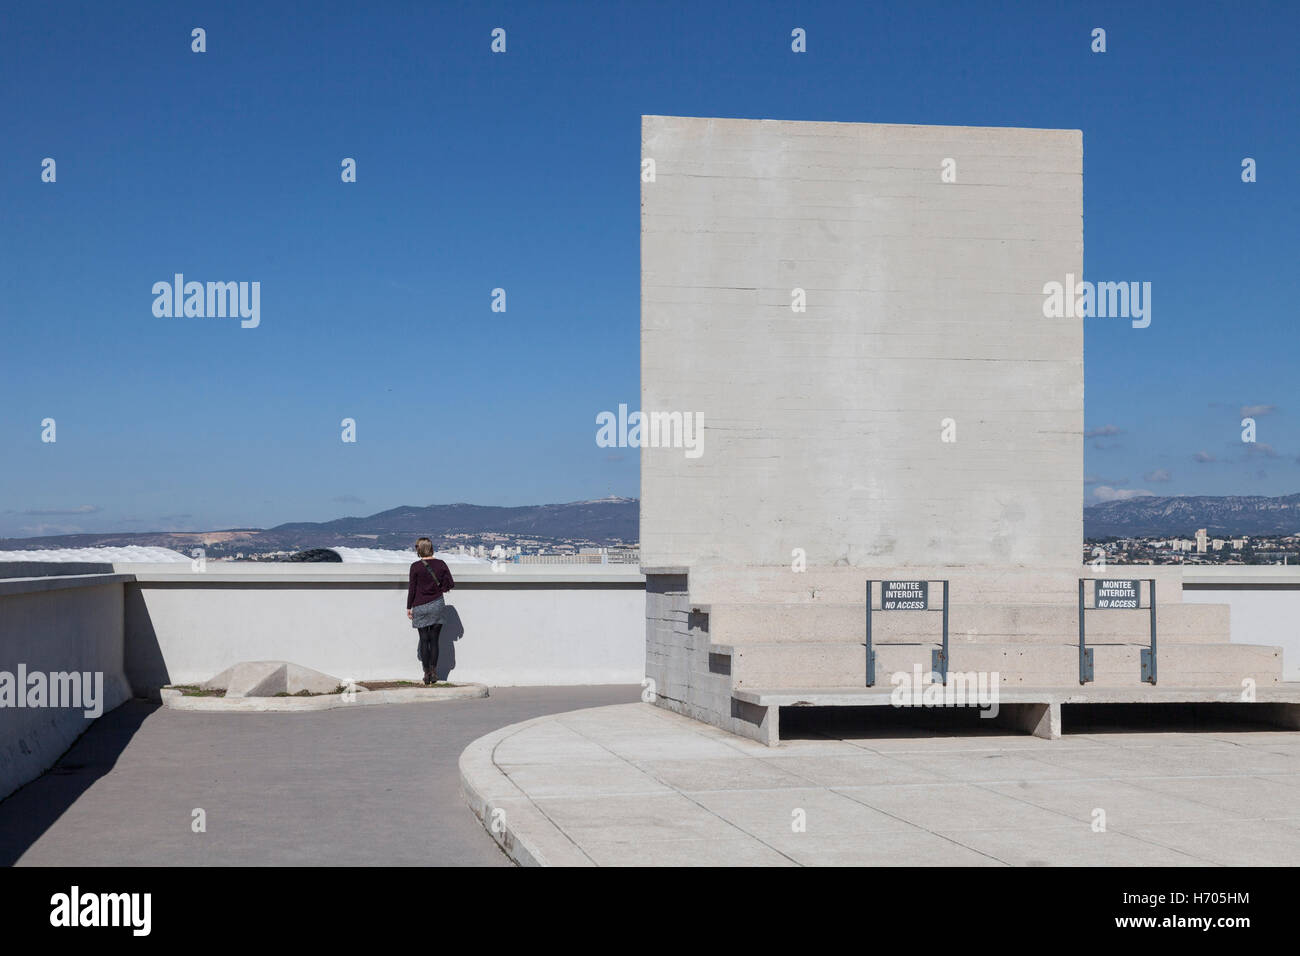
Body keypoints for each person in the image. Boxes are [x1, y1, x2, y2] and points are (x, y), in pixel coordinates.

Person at [407, 538, 455, 684]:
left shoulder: (415, 566)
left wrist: (409, 607)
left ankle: (426, 672)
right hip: (437, 604)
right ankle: (434, 672)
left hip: (420, 605)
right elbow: (450, 584)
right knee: (434, 639)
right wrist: (440, 590)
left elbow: (412, 589)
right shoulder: (441, 564)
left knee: (423, 639)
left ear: (419, 549)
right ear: (431, 548)